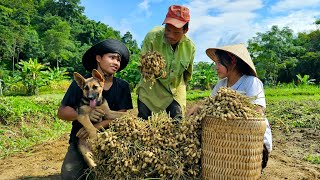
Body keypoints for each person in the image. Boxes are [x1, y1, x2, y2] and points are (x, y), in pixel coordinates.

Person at [187, 43, 272, 172]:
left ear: (232, 62)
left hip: (248, 141)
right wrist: (199, 108)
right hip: (226, 142)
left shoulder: (251, 82)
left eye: (219, 63)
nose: (216, 68)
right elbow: (210, 106)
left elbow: (257, 111)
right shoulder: (221, 85)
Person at [57, 39, 133, 180]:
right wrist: (84, 115)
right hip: (82, 138)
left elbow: (124, 114)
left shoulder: (122, 86)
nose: (116, 62)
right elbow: (61, 112)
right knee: (69, 176)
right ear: (98, 58)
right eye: (111, 57)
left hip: (113, 138)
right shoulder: (82, 83)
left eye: (118, 60)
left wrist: (97, 126)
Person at [136, 4, 196, 120]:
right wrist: (149, 67)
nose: (170, 35)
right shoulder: (152, 37)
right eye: (168, 30)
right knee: (144, 124)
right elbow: (143, 66)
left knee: (177, 126)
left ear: (185, 31)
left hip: (174, 91)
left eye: (176, 33)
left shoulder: (190, 47)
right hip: (151, 91)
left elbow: (187, 75)